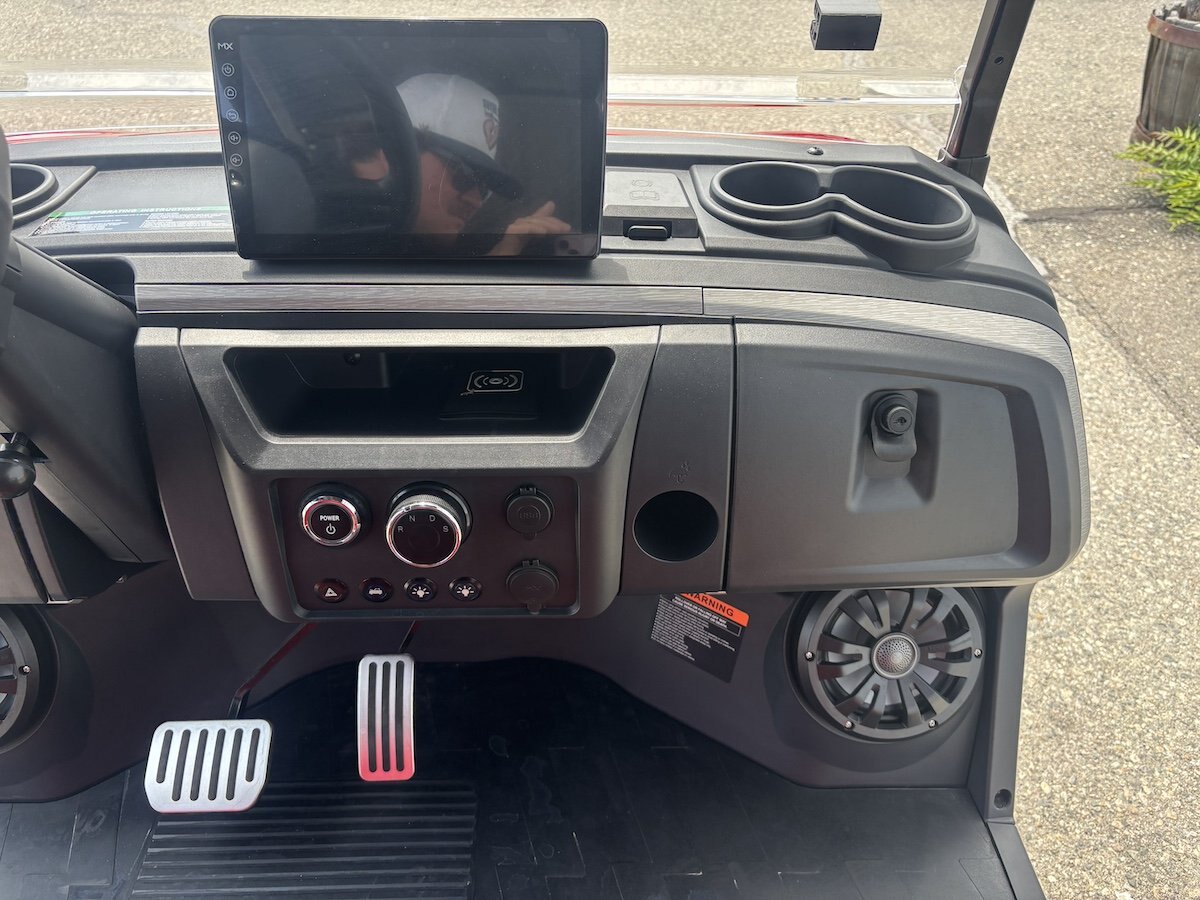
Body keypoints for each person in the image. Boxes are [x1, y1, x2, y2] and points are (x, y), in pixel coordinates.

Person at [348, 72, 571, 256]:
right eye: (464, 176)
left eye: (484, 189)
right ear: (394, 153)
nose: (476, 201)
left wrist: (500, 263)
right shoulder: (339, 230)